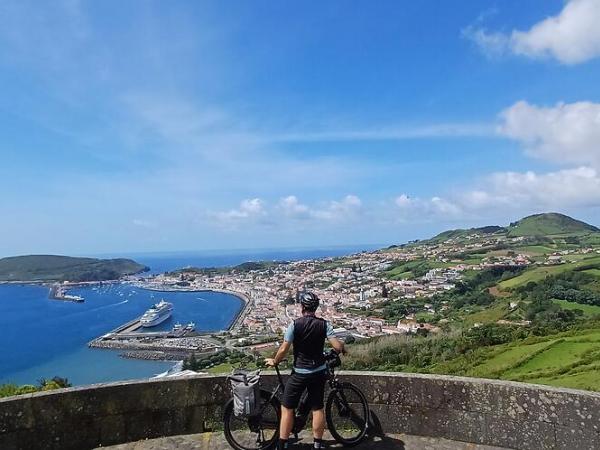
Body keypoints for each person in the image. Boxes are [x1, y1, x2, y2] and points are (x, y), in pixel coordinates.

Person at [265, 291, 345, 450]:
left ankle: (283, 444)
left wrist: (275, 361)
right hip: (318, 372)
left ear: (302, 307)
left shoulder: (295, 325)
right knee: (317, 408)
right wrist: (342, 347)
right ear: (315, 307)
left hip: (299, 373)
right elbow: (337, 346)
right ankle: (317, 444)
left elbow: (283, 349)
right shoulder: (324, 324)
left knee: (287, 408)